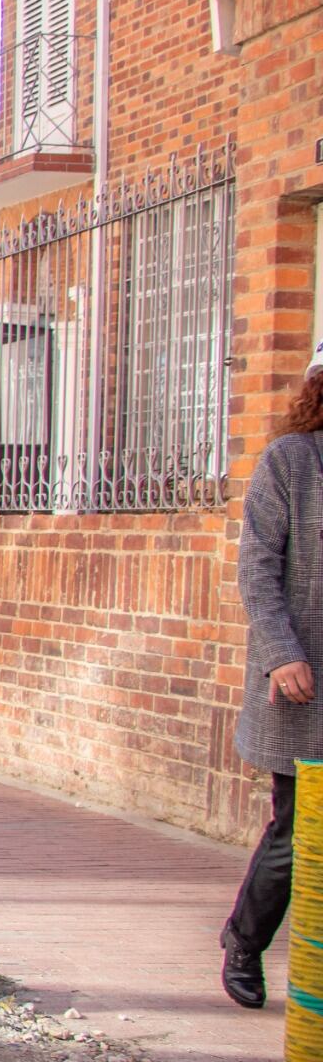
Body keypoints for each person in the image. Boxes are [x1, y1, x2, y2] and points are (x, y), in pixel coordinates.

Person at [222, 336, 323, 1009]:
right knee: (296, 831)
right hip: (303, 680)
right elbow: (258, 566)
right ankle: (245, 941)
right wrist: (283, 651)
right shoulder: (293, 461)